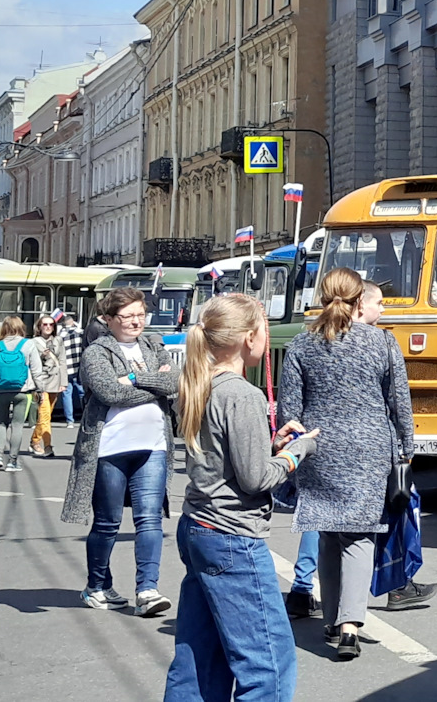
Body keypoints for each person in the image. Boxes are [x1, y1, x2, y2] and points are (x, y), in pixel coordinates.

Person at [165, 293, 317, 702]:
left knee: (199, 658)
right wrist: (294, 453)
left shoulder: (199, 383)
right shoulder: (243, 395)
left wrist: (269, 444)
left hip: (199, 526)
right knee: (268, 664)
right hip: (233, 536)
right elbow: (255, 479)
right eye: (265, 329)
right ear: (250, 338)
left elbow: (223, 459)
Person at [278, 269, 415, 661]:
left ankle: (333, 618)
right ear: (359, 301)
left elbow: (290, 411)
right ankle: (351, 625)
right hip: (370, 448)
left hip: (319, 447)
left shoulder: (303, 345)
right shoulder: (381, 341)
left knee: (328, 534)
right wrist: (406, 445)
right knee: (359, 536)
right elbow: (398, 401)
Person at [61, 287, 175, 617]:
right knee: (108, 522)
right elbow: (110, 393)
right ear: (108, 319)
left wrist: (134, 379)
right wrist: (154, 385)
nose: (135, 321)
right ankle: (97, 586)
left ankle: (148, 590)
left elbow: (177, 382)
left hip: (153, 445)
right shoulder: (96, 352)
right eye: (127, 316)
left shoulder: (154, 344)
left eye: (140, 314)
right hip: (109, 447)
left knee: (150, 519)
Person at [0, 316, 45, 473]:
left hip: (1, 391)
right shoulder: (28, 344)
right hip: (22, 391)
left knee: (1, 424)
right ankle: (12, 460)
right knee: (17, 425)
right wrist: (40, 389)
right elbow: (36, 370)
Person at [29, 314, 67, 457]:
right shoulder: (33, 342)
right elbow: (31, 363)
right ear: (39, 327)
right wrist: (42, 356)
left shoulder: (58, 340)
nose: (48, 327)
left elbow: (62, 361)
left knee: (47, 415)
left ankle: (34, 441)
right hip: (41, 382)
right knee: (45, 416)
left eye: (51, 324)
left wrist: (64, 382)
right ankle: (48, 447)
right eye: (45, 324)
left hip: (55, 382)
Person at [55, 310, 86, 424]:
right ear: (73, 322)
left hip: (65, 369)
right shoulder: (81, 333)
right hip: (79, 368)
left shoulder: (59, 336)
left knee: (66, 394)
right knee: (82, 393)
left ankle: (70, 421)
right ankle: (84, 417)